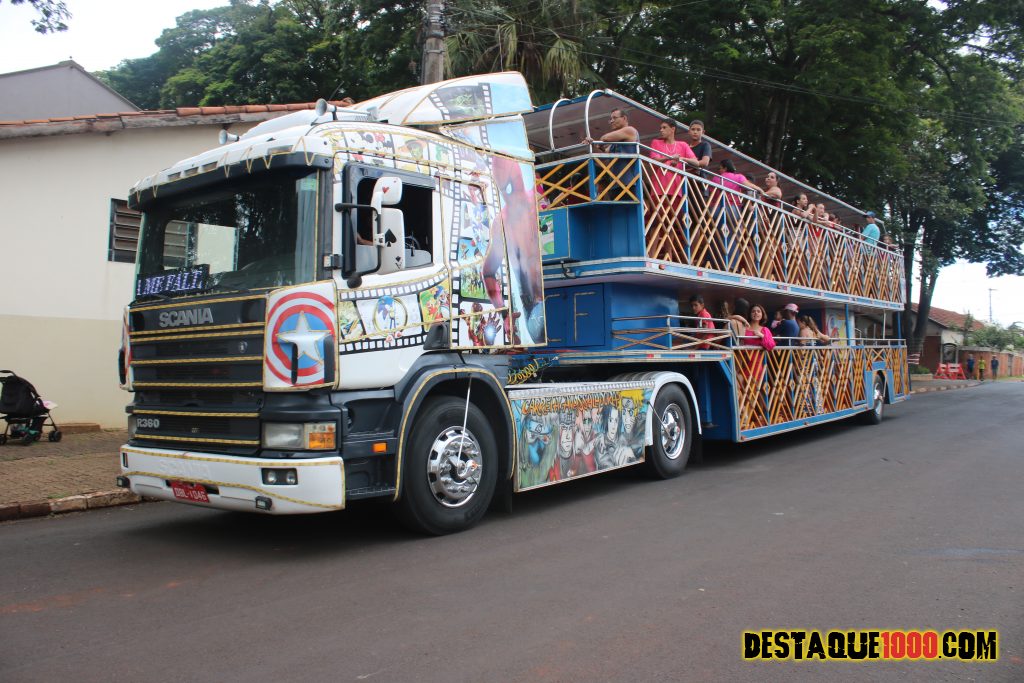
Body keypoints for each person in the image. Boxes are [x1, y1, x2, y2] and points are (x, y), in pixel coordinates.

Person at [649, 118, 695, 197]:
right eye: (661, 128)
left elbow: (695, 162)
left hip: (676, 190)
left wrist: (682, 159)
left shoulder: (683, 145)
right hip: (658, 189)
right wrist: (670, 158)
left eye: (664, 127)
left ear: (672, 129)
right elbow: (654, 161)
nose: (661, 130)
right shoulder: (656, 142)